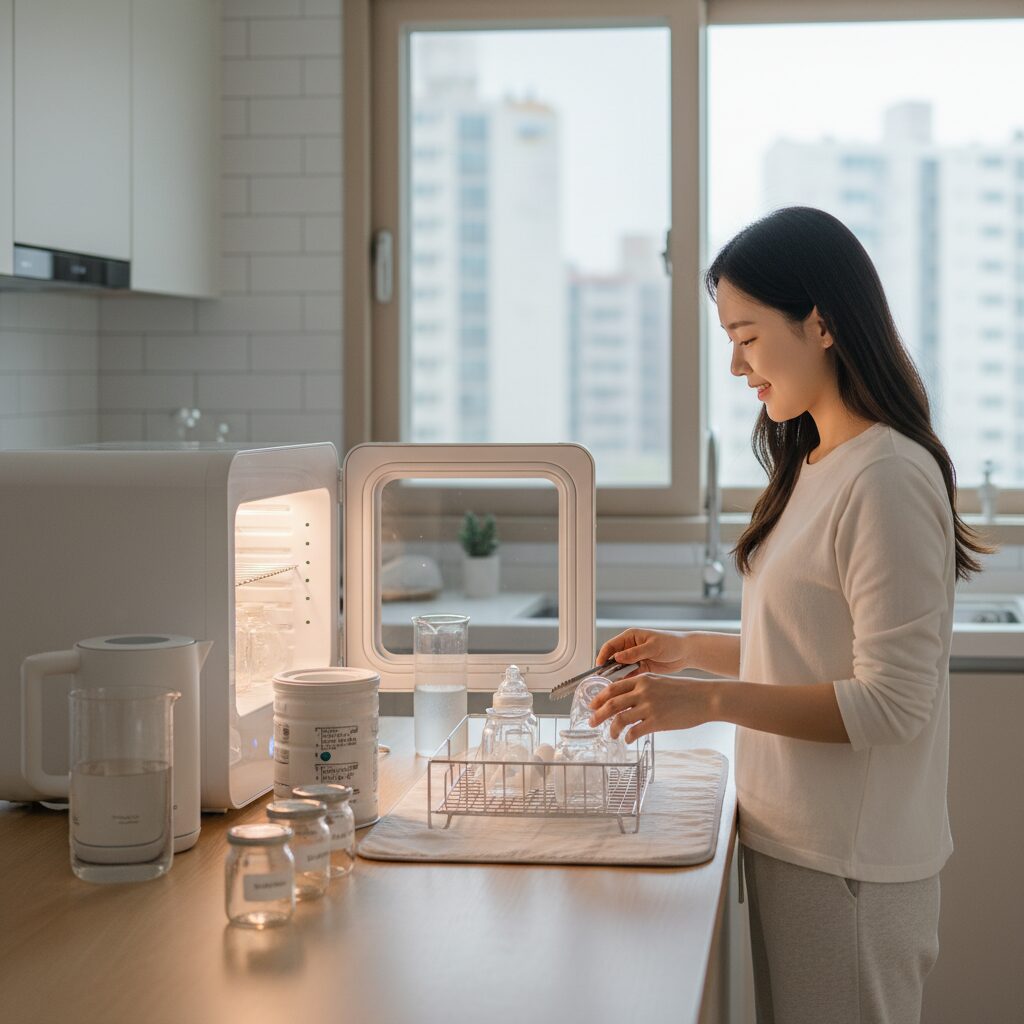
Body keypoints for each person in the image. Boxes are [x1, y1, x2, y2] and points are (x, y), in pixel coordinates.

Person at [588, 206, 994, 1024]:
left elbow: (889, 704)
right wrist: (689, 652)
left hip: (853, 864)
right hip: (796, 843)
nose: (737, 367)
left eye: (746, 336)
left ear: (822, 324)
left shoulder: (888, 476)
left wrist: (705, 701)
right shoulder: (816, 463)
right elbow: (811, 647)